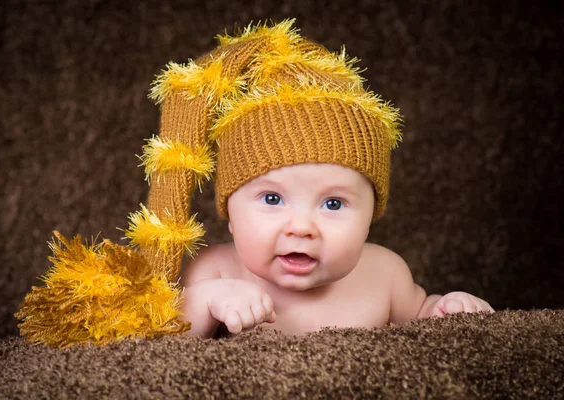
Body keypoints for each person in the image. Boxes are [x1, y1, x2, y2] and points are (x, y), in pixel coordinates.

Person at [130, 19, 494, 339]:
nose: (302, 228)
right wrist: (206, 302)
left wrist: (445, 308)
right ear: (230, 213)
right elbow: (160, 338)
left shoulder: (385, 274)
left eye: (333, 203)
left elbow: (419, 316)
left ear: (371, 217)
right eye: (272, 199)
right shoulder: (218, 272)